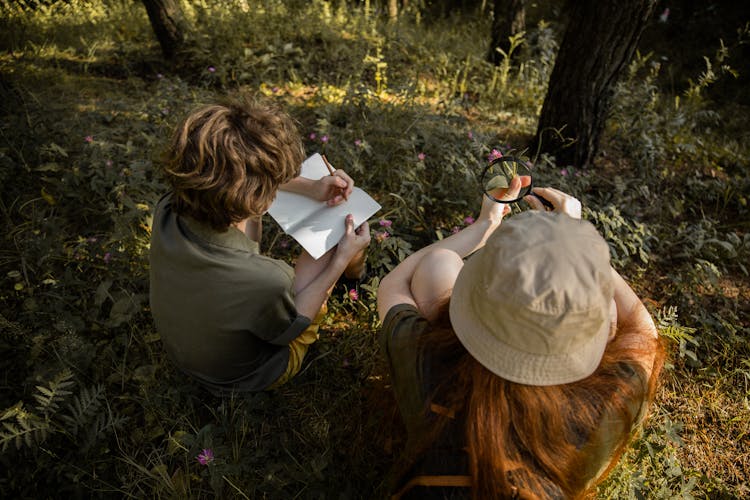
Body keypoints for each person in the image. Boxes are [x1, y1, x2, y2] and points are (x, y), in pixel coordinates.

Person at [377, 177, 665, 499]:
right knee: (610, 308)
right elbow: (643, 331)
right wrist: (572, 247)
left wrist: (485, 226)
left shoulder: (426, 364)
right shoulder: (598, 408)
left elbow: (394, 285)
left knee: (438, 265)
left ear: (471, 310)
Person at [149, 95, 370, 393]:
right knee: (336, 239)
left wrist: (310, 188)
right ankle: (354, 276)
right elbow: (291, 327)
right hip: (244, 376)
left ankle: (352, 272)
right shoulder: (267, 279)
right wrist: (340, 262)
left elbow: (233, 175)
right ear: (254, 198)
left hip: (186, 350)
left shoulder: (167, 208)